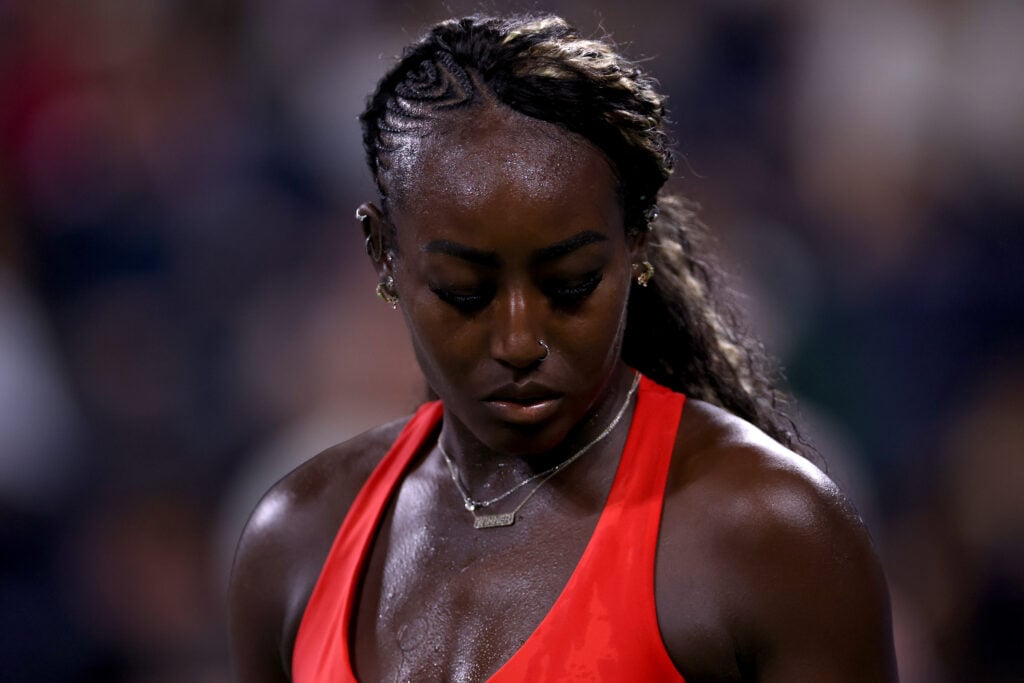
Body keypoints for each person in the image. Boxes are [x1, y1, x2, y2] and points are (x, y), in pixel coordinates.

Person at [229, 14, 898, 682]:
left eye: (572, 285)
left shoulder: (770, 537)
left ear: (635, 240)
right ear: (383, 254)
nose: (520, 339)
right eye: (465, 291)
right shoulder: (297, 538)